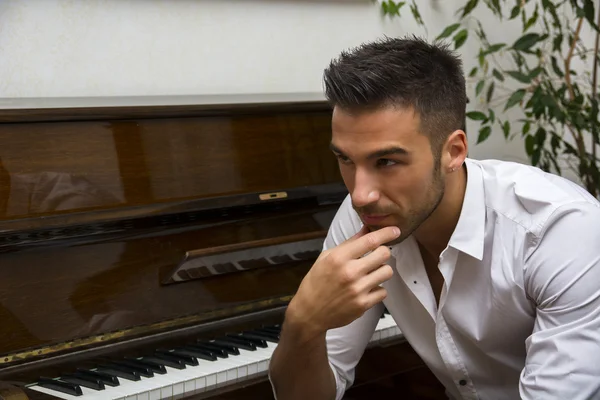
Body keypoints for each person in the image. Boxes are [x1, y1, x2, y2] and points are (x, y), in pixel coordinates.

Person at [268, 35, 600, 400]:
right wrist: (302, 323)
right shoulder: (364, 214)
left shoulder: (561, 232)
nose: (360, 194)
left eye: (387, 162)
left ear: (453, 151)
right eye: (346, 159)